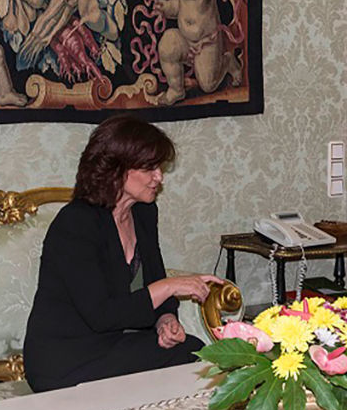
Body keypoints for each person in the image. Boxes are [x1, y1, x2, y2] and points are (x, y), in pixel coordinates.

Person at [24, 115, 221, 391]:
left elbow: (154, 279)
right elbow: (102, 315)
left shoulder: (143, 212)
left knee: (191, 350)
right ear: (116, 168)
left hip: (110, 345)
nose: (159, 177)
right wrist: (169, 287)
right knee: (187, 357)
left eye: (160, 167)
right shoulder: (75, 224)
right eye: (150, 168)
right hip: (63, 357)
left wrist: (166, 320)